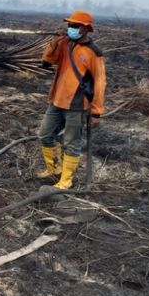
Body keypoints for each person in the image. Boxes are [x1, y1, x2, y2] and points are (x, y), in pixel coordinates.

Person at [36, 10, 106, 189]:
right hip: (57, 100)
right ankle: (54, 169)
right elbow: (47, 61)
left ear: (85, 29)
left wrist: (97, 112)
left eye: (74, 26)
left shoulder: (94, 53)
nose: (70, 28)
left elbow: (100, 82)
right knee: (45, 134)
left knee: (71, 143)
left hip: (76, 105)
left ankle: (66, 181)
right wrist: (54, 42)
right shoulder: (65, 43)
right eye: (69, 25)